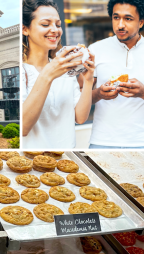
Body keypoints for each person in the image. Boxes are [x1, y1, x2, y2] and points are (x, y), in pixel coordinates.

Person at [85, 0, 144, 149]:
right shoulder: (95, 50)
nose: (120, 25)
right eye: (116, 17)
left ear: (141, 22)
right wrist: (99, 94)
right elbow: (81, 96)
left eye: (128, 19)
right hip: (102, 141)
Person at [22, 0, 95, 149]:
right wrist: (48, 75)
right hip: (31, 160)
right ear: (25, 29)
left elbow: (80, 117)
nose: (55, 30)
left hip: (66, 157)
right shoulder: (21, 70)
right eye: (45, 24)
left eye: (58, 24)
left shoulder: (65, 67)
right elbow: (23, 128)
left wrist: (88, 81)